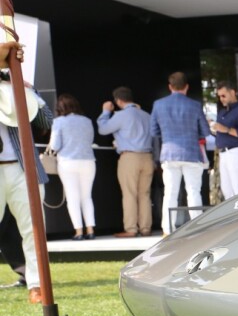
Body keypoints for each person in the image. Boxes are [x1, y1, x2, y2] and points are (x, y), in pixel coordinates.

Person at [0, 40, 53, 303]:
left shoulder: (18, 87)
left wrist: (31, 93)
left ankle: (36, 284)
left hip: (23, 170)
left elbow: (46, 122)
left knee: (33, 229)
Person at [150, 71, 210, 235]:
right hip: (191, 153)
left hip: (169, 153)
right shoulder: (195, 105)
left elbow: (153, 131)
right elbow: (205, 131)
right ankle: (198, 229)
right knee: (193, 191)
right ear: (187, 87)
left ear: (170, 87)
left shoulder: (158, 104)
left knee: (170, 192)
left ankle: (167, 230)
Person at [97, 86, 154, 237]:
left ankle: (131, 229)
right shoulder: (147, 115)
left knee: (129, 194)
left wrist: (105, 112)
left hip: (130, 158)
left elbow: (103, 129)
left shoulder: (122, 115)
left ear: (118, 101)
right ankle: (146, 228)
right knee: (145, 194)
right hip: (148, 157)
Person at [48, 93, 97, 240]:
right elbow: (90, 140)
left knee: (72, 198)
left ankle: (79, 232)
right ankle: (91, 230)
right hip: (88, 161)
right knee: (87, 197)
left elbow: (55, 145)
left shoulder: (59, 122)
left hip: (68, 162)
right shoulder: (87, 121)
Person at [210, 80, 238, 197]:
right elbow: (222, 132)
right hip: (224, 153)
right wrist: (214, 128)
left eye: (223, 95)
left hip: (236, 151)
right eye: (219, 96)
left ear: (233, 92)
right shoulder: (223, 112)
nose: (221, 99)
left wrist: (227, 129)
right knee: (227, 190)